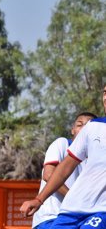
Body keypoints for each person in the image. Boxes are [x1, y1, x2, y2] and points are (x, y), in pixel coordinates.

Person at [20, 85, 106, 228]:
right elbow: (66, 166)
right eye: (105, 92)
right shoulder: (93, 127)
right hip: (71, 210)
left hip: (101, 212)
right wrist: (39, 199)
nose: (105, 97)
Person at [32, 112, 97, 229]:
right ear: (72, 130)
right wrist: (73, 198)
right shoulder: (62, 144)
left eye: (88, 126)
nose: (83, 129)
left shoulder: (96, 159)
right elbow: (48, 175)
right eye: (79, 125)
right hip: (51, 217)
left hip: (77, 219)